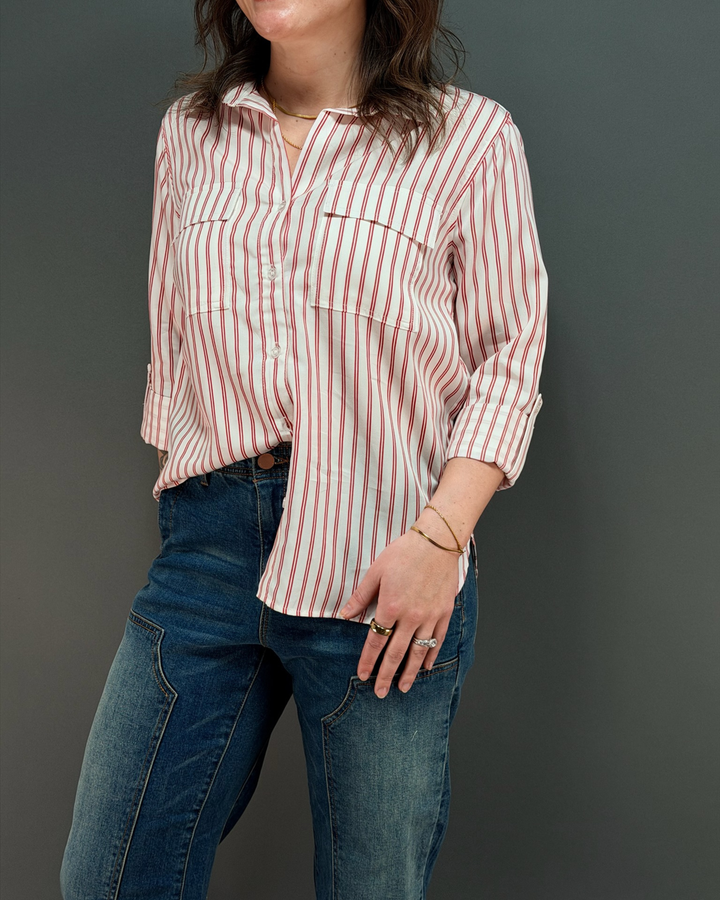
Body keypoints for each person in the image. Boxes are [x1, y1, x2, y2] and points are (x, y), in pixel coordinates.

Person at [60, 0, 548, 897]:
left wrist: (440, 542)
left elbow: (509, 361)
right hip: (207, 552)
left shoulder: (470, 140)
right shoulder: (191, 137)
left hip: (387, 560)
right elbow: (173, 347)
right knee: (108, 878)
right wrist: (191, 495)